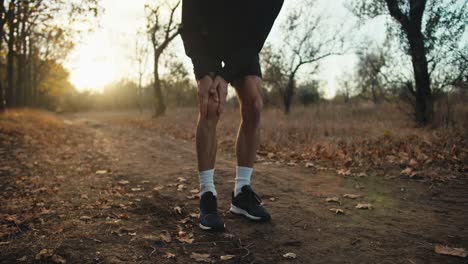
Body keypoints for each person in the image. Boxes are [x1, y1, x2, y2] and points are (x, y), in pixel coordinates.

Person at [180, 0, 284, 231]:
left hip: (243, 43)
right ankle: (207, 194)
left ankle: (242, 193)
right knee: (211, 103)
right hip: (207, 36)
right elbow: (189, 27)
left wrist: (226, 76)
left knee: (254, 102)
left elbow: (257, 37)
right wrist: (204, 72)